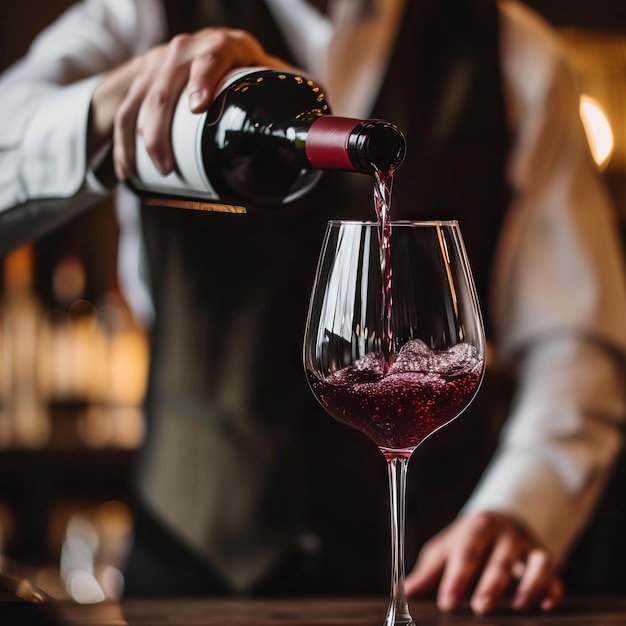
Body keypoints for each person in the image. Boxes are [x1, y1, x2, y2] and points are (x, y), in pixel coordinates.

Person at [1, 0, 626, 616]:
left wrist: (520, 504)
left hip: (434, 578)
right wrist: (112, 101)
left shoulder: (513, 46)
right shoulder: (141, 17)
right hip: (193, 578)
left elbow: (575, 340)